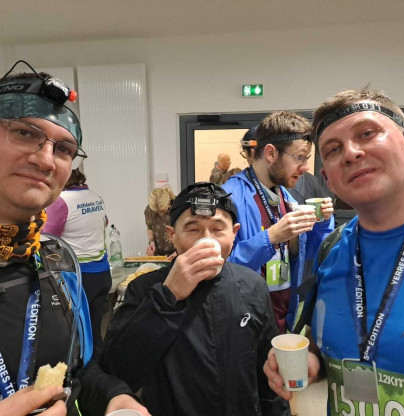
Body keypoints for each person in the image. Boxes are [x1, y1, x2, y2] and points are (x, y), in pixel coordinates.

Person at [0, 60, 149, 416]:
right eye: (24, 133)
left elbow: (78, 370)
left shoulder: (57, 261)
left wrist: (115, 396)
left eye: (64, 149)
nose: (45, 160)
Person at [263, 88, 404, 415]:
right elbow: (324, 344)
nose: (351, 153)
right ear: (328, 180)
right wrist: (310, 362)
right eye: (333, 149)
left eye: (367, 133)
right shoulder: (331, 250)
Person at [101, 182, 289, 416]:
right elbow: (118, 370)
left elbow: (268, 374)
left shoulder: (253, 286)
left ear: (234, 234)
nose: (206, 240)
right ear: (172, 235)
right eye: (193, 229)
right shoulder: (143, 289)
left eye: (218, 229)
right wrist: (168, 295)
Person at [223, 111, 334, 333]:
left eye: (307, 159)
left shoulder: (285, 197)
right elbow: (219, 269)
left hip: (283, 316)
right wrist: (271, 237)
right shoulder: (230, 198)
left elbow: (310, 253)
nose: (305, 167)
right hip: (244, 322)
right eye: (300, 157)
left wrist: (322, 223)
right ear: (271, 153)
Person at [43, 168, 112, 355]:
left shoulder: (61, 202)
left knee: (77, 336)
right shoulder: (96, 197)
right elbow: (104, 222)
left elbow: (47, 238)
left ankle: (85, 372)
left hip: (80, 277)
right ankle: (100, 368)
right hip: (102, 273)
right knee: (95, 332)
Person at [144, 185, 176, 258]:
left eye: (163, 211)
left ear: (168, 202)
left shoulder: (177, 207)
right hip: (158, 254)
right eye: (157, 211)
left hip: (176, 253)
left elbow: (185, 231)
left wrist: (178, 251)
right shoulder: (149, 210)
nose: (160, 214)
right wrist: (151, 241)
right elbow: (149, 227)